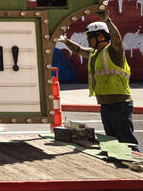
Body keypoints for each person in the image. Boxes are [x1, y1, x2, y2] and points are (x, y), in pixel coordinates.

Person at [55, 19, 136, 147]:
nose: (88, 40)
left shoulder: (114, 51)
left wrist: (108, 21)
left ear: (101, 36)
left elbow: (117, 40)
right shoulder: (94, 53)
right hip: (106, 104)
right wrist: (66, 41)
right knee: (112, 143)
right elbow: (79, 50)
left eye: (90, 37)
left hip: (119, 104)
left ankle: (138, 162)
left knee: (127, 142)